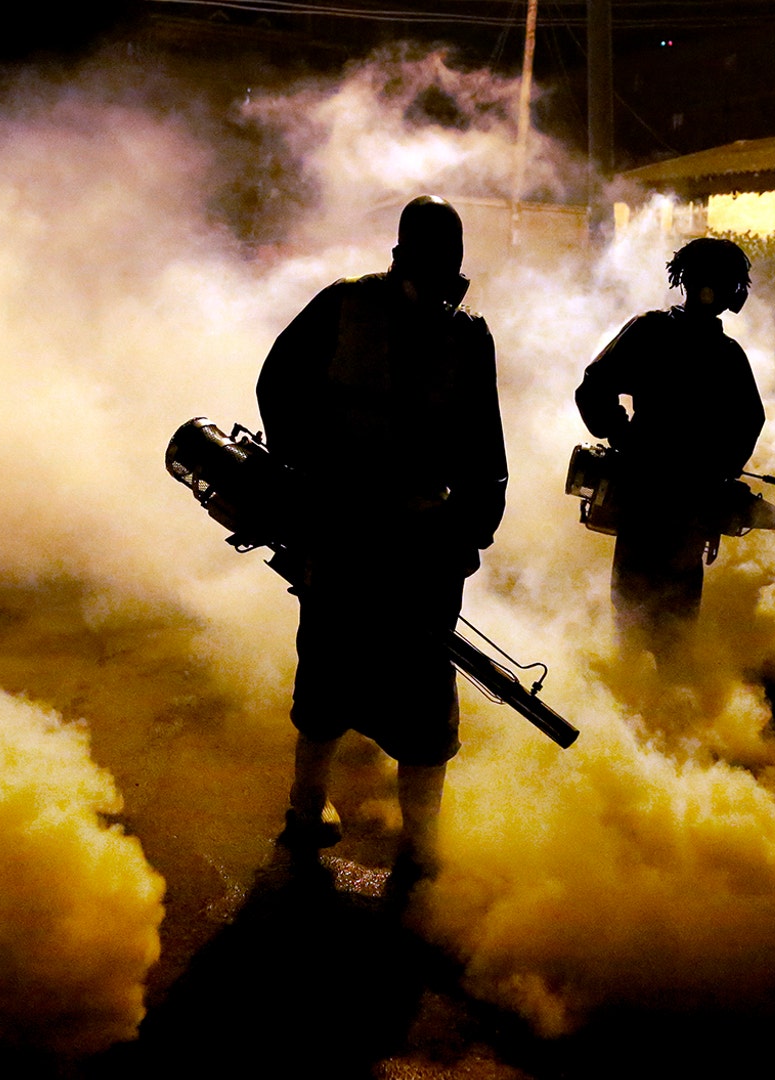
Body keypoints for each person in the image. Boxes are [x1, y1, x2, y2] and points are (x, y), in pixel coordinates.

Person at [255, 195, 506, 879]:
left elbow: (484, 451)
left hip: (387, 534)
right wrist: (313, 480)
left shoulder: (444, 329)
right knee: (361, 669)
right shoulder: (361, 308)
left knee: (383, 673)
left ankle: (377, 829)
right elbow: (278, 388)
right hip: (364, 529)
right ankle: (340, 819)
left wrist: (468, 533)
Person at [575, 236, 764, 650]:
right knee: (672, 637)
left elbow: (593, 389)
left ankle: (631, 706)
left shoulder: (653, 332)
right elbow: (750, 423)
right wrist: (717, 474)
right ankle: (661, 708)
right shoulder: (724, 355)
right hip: (679, 516)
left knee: (634, 628)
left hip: (651, 508)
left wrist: (623, 435)